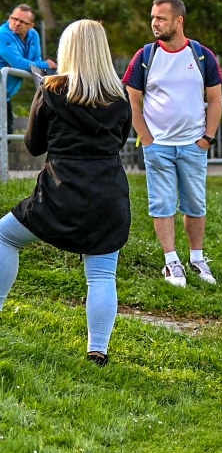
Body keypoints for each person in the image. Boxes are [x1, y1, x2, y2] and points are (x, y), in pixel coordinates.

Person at [0, 20, 131, 365]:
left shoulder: (51, 90)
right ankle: (97, 351)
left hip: (60, 193)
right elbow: (120, 140)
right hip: (109, 195)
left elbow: (32, 144)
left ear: (67, 49)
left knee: (4, 237)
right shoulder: (119, 95)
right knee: (102, 273)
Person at [122, 0, 222, 288]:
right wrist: (147, 139)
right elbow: (132, 99)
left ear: (178, 21)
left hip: (194, 145)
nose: (155, 23)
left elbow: (215, 100)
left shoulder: (202, 55)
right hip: (159, 148)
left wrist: (207, 139)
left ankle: (196, 259)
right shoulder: (145, 56)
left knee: (195, 204)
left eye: (161, 18)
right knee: (163, 204)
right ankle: (171, 263)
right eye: (153, 17)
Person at [0, 4, 55, 134]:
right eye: (14, 19)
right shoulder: (3, 34)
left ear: (31, 25)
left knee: (6, 136)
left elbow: (36, 60)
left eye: (23, 22)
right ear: (9, 18)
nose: (17, 23)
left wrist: (37, 64)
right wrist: (46, 65)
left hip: (4, 97)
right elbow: (18, 64)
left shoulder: (33, 35)